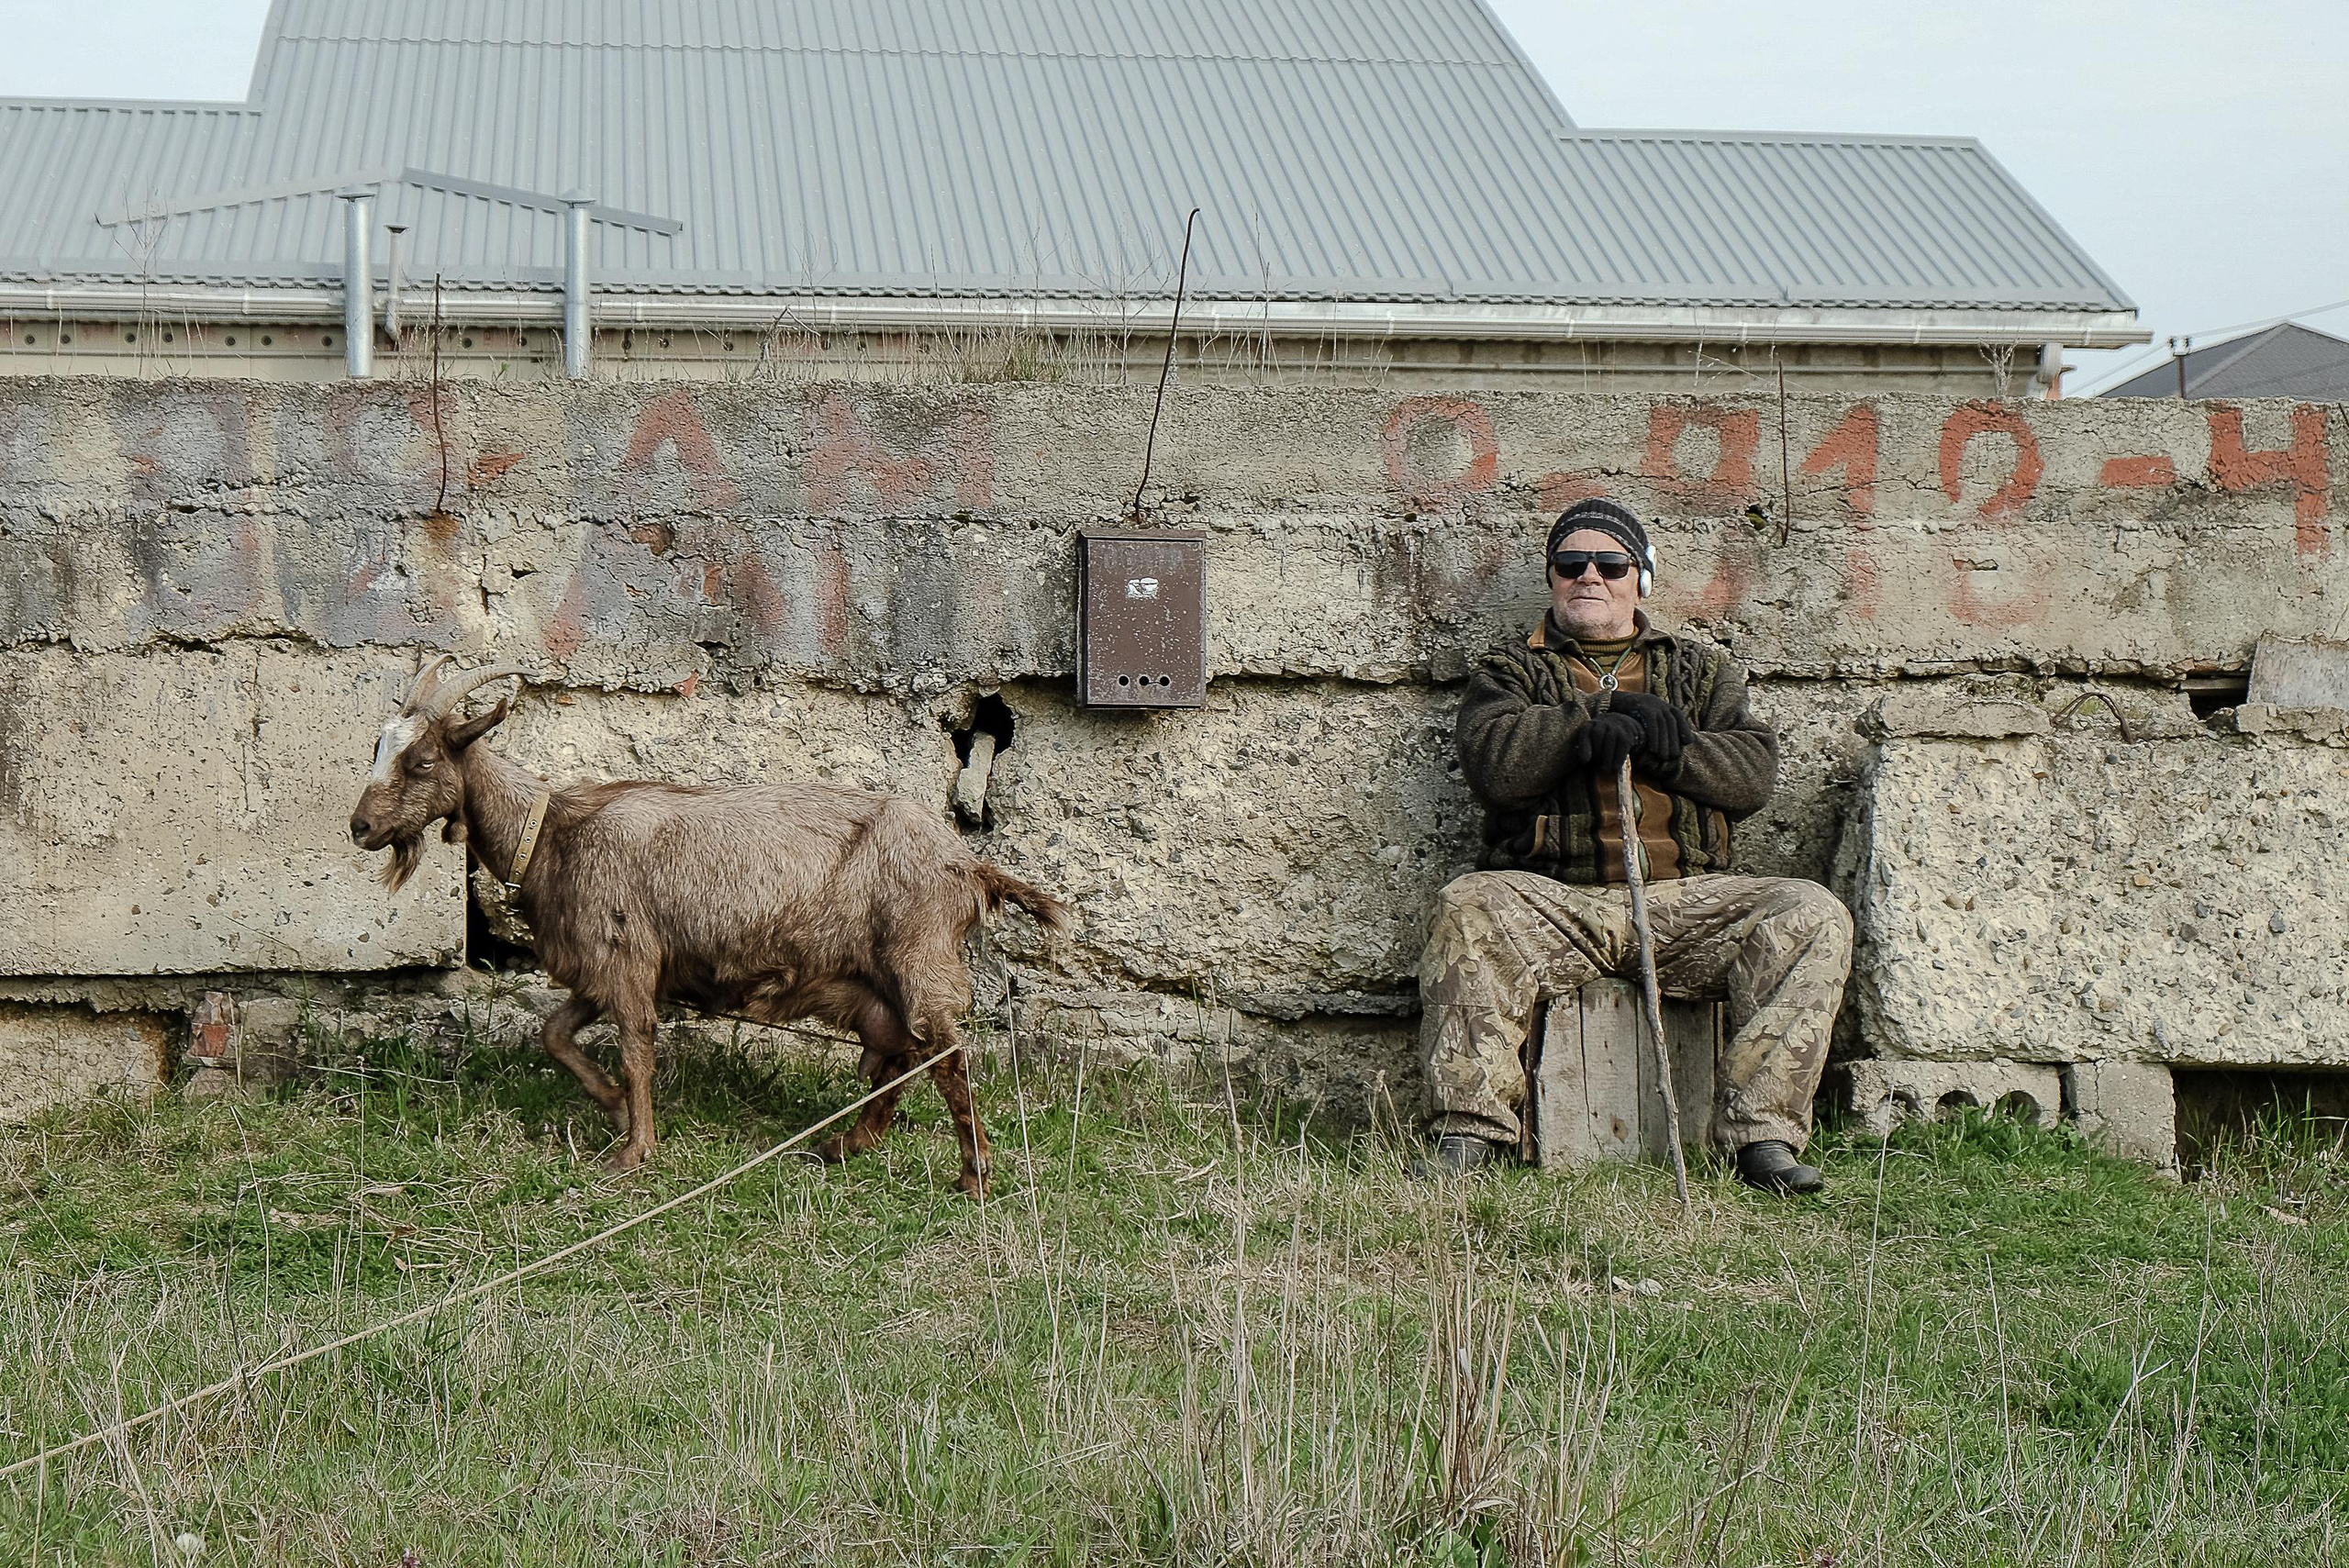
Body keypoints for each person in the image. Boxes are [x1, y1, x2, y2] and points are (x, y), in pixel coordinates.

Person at [1415, 498, 1853, 1193]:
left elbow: (1753, 772)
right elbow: (1494, 764)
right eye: (1570, 563)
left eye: (1610, 563)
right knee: (1469, 904)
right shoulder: (1510, 671)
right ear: (1553, 577)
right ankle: (1469, 1130)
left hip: (1686, 906)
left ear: (1639, 577)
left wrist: (1663, 745)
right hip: (1562, 904)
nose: (1588, 575)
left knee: (1809, 912)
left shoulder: (1702, 673)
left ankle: (1762, 1135)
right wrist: (1590, 720)